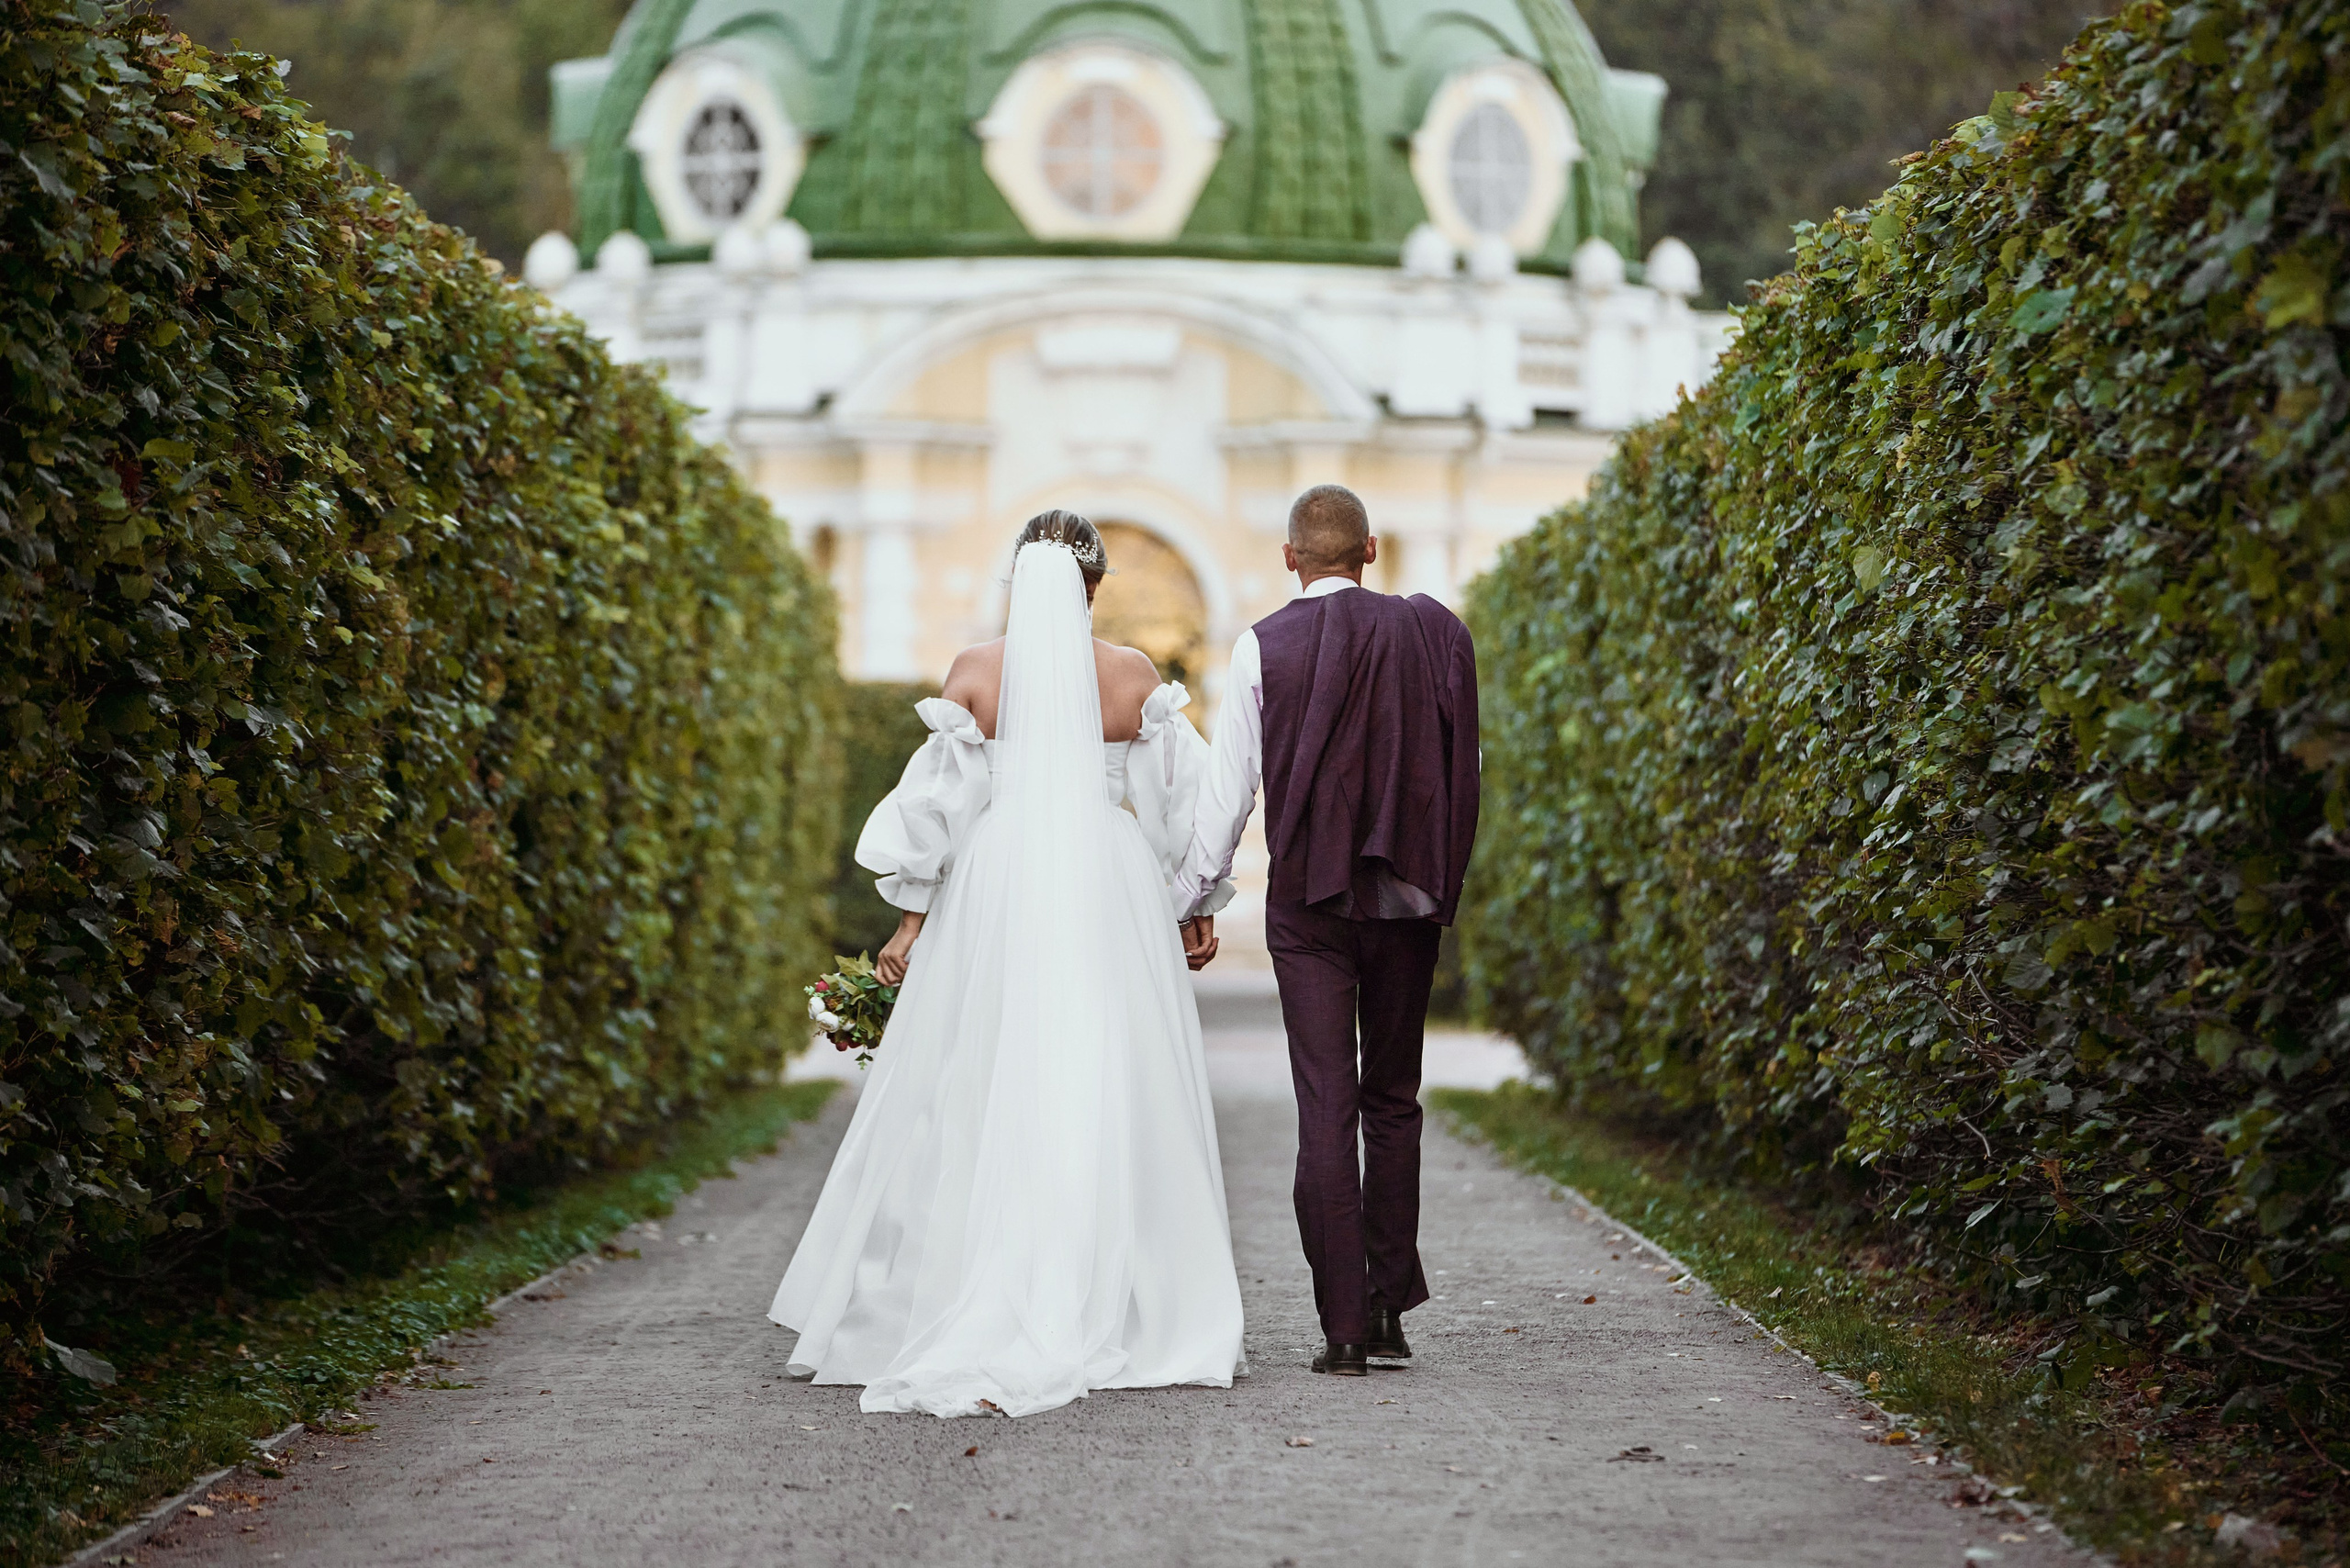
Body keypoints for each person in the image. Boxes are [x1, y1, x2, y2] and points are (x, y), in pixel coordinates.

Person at [769, 511, 1245, 1417]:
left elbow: (937, 810)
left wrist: (910, 926)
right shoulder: (1132, 676)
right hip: (1105, 878)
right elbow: (1183, 801)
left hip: (998, 875)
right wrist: (1191, 906)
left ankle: (970, 1284)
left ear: (1014, 586)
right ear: (1094, 586)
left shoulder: (975, 673)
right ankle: (1120, 1294)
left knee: (982, 1071)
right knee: (1106, 1069)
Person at [1175, 485, 1480, 1378]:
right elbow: (1461, 766)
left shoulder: (1260, 645)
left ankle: (1341, 1326)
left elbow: (1226, 792)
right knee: (1393, 1100)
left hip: (1307, 907)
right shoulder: (1433, 635)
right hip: (1407, 900)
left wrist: (1195, 897)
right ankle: (1387, 1310)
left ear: (1288, 558)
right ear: (1371, 550)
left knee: (1326, 1107)